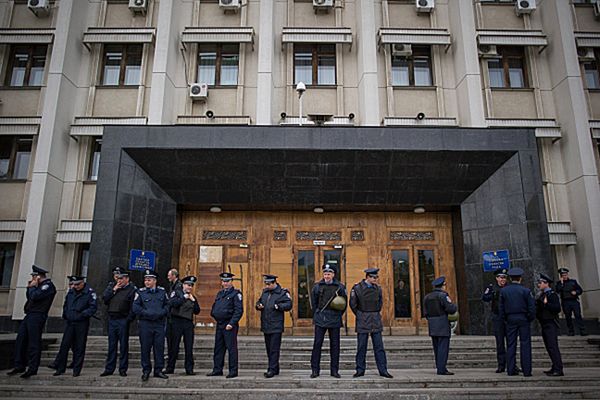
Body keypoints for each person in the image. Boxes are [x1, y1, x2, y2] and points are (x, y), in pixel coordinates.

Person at [7, 265, 57, 379]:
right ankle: (19, 365)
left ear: (39, 276)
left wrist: (32, 287)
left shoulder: (47, 286)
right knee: (21, 340)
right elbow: (30, 297)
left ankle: (32, 368)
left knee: (33, 343)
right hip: (29, 315)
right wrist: (31, 288)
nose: (32, 279)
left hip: (37, 315)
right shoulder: (37, 286)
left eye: (34, 276)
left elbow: (34, 297)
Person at [350, 268, 392, 378]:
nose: (375, 279)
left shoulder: (378, 289)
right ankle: (360, 370)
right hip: (363, 318)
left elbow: (380, 303)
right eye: (373, 277)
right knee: (361, 347)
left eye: (376, 277)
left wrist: (374, 313)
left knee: (379, 347)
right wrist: (361, 315)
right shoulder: (357, 288)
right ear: (367, 277)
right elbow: (353, 305)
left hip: (375, 319)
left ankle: (383, 370)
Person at [53, 276, 97, 377]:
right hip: (70, 322)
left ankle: (76, 370)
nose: (75, 286)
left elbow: (92, 307)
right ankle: (60, 368)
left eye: (77, 284)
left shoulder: (89, 292)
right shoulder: (71, 292)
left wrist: (82, 315)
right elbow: (66, 304)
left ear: (82, 283)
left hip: (81, 323)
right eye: (74, 284)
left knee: (79, 347)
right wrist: (66, 314)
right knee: (64, 346)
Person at [310, 264, 347, 379]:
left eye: (329, 274)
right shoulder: (317, 287)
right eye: (325, 274)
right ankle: (315, 370)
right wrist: (317, 314)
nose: (326, 276)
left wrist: (338, 315)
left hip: (334, 318)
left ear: (333, 275)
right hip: (321, 318)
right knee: (317, 344)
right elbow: (314, 303)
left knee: (335, 345)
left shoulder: (340, 287)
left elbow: (343, 303)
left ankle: (334, 371)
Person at [132, 269, 169, 381]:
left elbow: (168, 305)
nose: (147, 282)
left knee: (159, 348)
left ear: (155, 281)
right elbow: (135, 307)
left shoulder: (162, 292)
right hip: (145, 324)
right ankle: (146, 370)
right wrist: (146, 313)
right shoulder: (140, 292)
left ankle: (158, 370)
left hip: (159, 324)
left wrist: (162, 313)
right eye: (146, 280)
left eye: (149, 280)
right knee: (145, 348)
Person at [499, 267, 535, 377]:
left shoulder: (504, 291)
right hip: (523, 318)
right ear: (520, 278)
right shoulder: (526, 291)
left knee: (511, 344)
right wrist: (529, 318)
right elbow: (532, 307)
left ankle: (510, 370)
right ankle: (527, 370)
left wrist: (505, 318)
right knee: (525, 344)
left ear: (510, 278)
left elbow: (501, 308)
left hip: (510, 319)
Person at [100, 266, 137, 377]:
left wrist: (128, 320)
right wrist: (113, 290)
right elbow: (105, 299)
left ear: (127, 278)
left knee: (123, 346)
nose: (119, 280)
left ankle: (122, 368)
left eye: (121, 278)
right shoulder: (112, 287)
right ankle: (109, 368)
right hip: (112, 319)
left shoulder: (131, 289)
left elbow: (133, 307)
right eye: (118, 278)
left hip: (123, 319)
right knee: (112, 345)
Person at [207, 272, 243, 379]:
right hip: (220, 324)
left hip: (229, 325)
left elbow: (238, 311)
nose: (225, 283)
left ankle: (233, 371)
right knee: (218, 348)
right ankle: (217, 369)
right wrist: (215, 314)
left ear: (231, 282)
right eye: (223, 281)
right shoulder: (220, 293)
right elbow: (215, 307)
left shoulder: (236, 294)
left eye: (227, 281)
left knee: (231, 349)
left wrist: (232, 323)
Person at [256, 274, 292, 378]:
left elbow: (289, 304)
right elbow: (259, 301)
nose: (267, 286)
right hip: (266, 324)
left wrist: (278, 306)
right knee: (269, 348)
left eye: (269, 284)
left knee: (274, 348)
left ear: (274, 283)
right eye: (266, 284)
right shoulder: (265, 292)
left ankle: (271, 369)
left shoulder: (282, 293)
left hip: (276, 325)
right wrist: (258, 305)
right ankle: (275, 368)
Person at [165, 275, 200, 375]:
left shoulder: (192, 297)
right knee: (174, 346)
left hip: (188, 323)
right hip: (177, 322)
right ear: (183, 285)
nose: (189, 287)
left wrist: (193, 301)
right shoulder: (176, 293)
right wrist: (183, 298)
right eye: (188, 285)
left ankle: (189, 369)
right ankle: (170, 368)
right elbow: (171, 303)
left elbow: (197, 311)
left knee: (189, 347)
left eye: (191, 286)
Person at [423, 276, 457, 376]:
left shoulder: (427, 297)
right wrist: (454, 306)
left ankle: (439, 366)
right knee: (443, 348)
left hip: (432, 325)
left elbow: (425, 313)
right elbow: (451, 309)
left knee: (437, 348)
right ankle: (442, 369)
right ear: (442, 286)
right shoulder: (443, 296)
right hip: (442, 324)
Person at [481, 268, 509, 373]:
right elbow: (485, 297)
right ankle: (501, 365)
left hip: (508, 317)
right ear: (497, 278)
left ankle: (512, 364)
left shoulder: (509, 287)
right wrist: (493, 294)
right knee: (500, 342)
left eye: (505, 278)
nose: (503, 280)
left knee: (511, 343)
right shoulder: (492, 287)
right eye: (501, 277)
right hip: (498, 317)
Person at [536, 273, 564, 376]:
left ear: (546, 283)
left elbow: (557, 308)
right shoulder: (541, 295)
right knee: (549, 347)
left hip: (551, 323)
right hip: (544, 323)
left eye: (540, 283)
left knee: (553, 346)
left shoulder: (552, 294)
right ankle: (554, 366)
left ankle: (558, 368)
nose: (539, 285)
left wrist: (546, 304)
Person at [48, 279, 75, 371]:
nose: (71, 285)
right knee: (67, 343)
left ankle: (59, 362)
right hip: (69, 321)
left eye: (72, 284)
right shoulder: (70, 294)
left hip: (78, 322)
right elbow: (66, 306)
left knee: (70, 343)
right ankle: (58, 362)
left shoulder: (78, 293)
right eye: (70, 283)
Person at [555, 267, 586, 336]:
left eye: (565, 275)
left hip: (574, 301)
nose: (564, 276)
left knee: (578, 315)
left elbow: (580, 290)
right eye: (563, 275)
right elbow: (557, 290)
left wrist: (576, 292)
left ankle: (582, 330)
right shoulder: (559, 283)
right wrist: (562, 283)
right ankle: (571, 331)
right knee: (568, 317)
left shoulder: (573, 282)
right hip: (565, 302)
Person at [166, 269, 183, 364]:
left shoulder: (178, 286)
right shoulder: (172, 285)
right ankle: (171, 354)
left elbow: (179, 299)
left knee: (173, 338)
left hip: (175, 315)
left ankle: (173, 355)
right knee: (170, 337)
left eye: (169, 275)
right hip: (170, 315)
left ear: (174, 276)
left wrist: (171, 302)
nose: (168, 277)